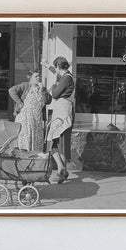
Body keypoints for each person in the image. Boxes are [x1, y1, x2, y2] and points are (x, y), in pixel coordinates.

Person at [43, 56, 75, 184]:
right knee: (59, 141)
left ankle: (61, 170)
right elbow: (56, 75)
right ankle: (62, 170)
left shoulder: (66, 78)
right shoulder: (67, 76)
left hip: (63, 111)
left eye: (55, 67)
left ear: (59, 67)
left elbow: (55, 94)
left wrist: (53, 87)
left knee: (54, 140)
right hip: (63, 111)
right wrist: (47, 66)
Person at [9, 70, 51, 151]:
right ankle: (22, 156)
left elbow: (48, 101)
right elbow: (11, 90)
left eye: (39, 76)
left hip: (37, 119)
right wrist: (19, 102)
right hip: (25, 118)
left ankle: (34, 156)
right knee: (24, 136)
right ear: (31, 78)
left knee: (36, 138)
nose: (38, 78)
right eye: (36, 76)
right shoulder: (25, 85)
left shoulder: (42, 88)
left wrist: (43, 91)